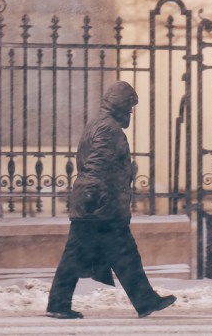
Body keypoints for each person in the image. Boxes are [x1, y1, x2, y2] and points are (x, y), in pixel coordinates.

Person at [46, 81, 177, 319]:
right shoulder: (108, 129)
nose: (131, 111)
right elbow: (96, 164)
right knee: (83, 256)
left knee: (123, 253)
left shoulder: (101, 124)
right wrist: (91, 197)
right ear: (120, 104)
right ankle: (58, 304)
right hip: (99, 207)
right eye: (129, 105)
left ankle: (145, 300)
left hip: (102, 206)